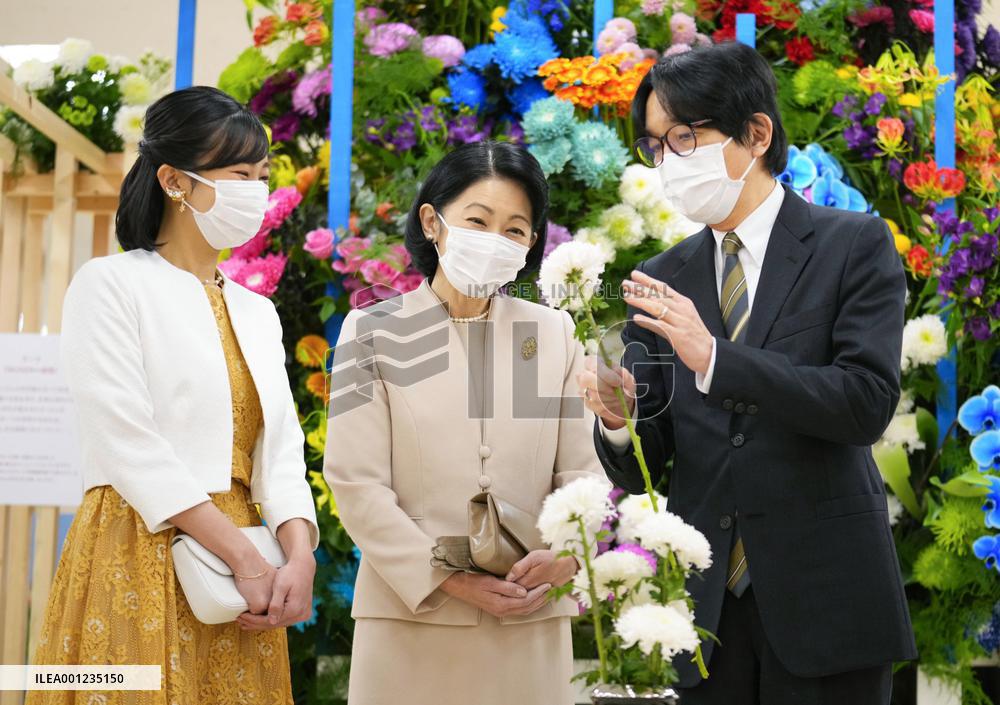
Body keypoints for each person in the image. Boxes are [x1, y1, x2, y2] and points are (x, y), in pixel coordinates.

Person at [578, 42, 916, 704]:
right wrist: (619, 423)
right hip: (708, 619)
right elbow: (651, 460)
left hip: (828, 601)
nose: (668, 163)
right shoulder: (659, 278)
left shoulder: (853, 244)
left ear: (756, 133)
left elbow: (865, 402)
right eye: (655, 146)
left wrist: (716, 358)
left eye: (685, 137)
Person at [28, 86, 319, 704]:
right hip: (138, 544)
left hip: (246, 574)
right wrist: (243, 555)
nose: (257, 194)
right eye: (241, 174)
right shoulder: (109, 284)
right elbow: (126, 440)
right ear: (174, 180)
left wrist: (298, 557)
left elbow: (282, 450)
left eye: (262, 177)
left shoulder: (257, 311)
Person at [323, 140, 602, 705]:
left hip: (528, 620)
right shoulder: (374, 330)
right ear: (433, 221)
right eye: (478, 221)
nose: (496, 240)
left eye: (515, 230)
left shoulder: (550, 334)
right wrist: (449, 578)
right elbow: (356, 484)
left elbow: (583, 475)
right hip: (413, 620)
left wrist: (567, 553)